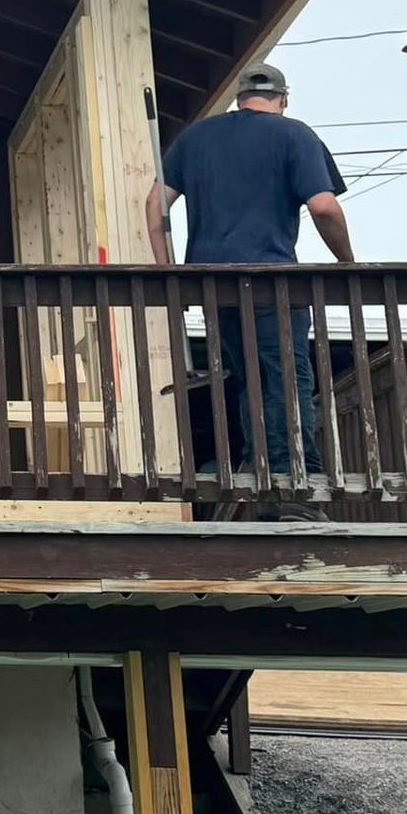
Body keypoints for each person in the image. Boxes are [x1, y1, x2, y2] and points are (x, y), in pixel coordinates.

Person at [144, 63, 353, 512]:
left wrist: (169, 275)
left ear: (240, 97)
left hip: (212, 285)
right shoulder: (294, 135)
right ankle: (295, 486)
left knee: (248, 379)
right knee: (287, 378)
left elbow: (154, 204)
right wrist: (348, 262)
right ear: (283, 98)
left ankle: (258, 474)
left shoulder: (197, 138)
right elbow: (324, 207)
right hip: (272, 281)